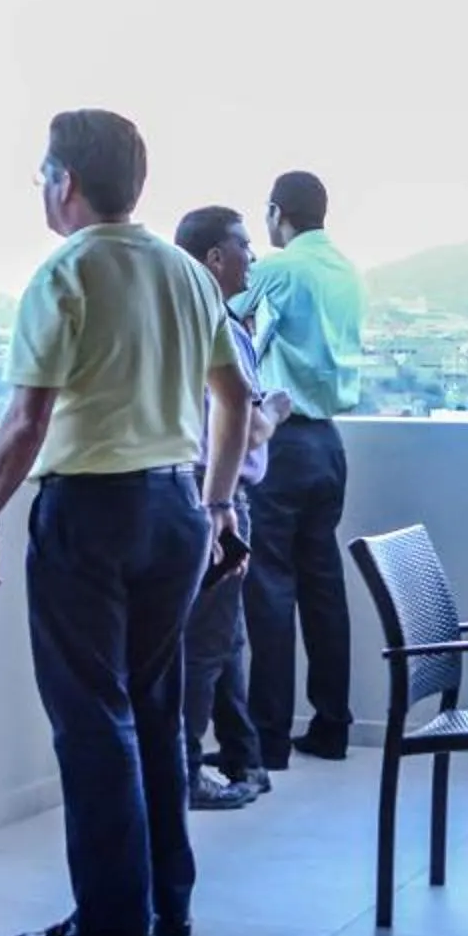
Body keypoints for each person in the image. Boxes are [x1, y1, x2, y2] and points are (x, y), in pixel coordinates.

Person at [0, 111, 252, 936]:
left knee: (92, 717)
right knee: (156, 709)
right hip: (177, 511)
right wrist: (220, 503)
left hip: (88, 510)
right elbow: (232, 399)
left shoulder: (65, 273)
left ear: (68, 183)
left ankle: (111, 919)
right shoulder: (184, 272)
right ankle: (169, 900)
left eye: (44, 175)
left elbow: (26, 419)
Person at [237, 170, 366, 763]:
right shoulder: (346, 271)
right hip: (328, 445)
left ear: (275, 213)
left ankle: (267, 737)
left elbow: (219, 310)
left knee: (268, 587)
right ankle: (332, 725)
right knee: (322, 588)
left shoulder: (277, 268)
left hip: (282, 440)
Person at [175, 204, 288, 808]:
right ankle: (188, 770)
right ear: (215, 258)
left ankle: (242, 757)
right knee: (206, 641)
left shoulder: (185, 322)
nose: (253, 256)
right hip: (216, 494)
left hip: (208, 491)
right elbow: (242, 428)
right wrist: (275, 411)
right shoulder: (214, 327)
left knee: (225, 637)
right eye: (244, 246)